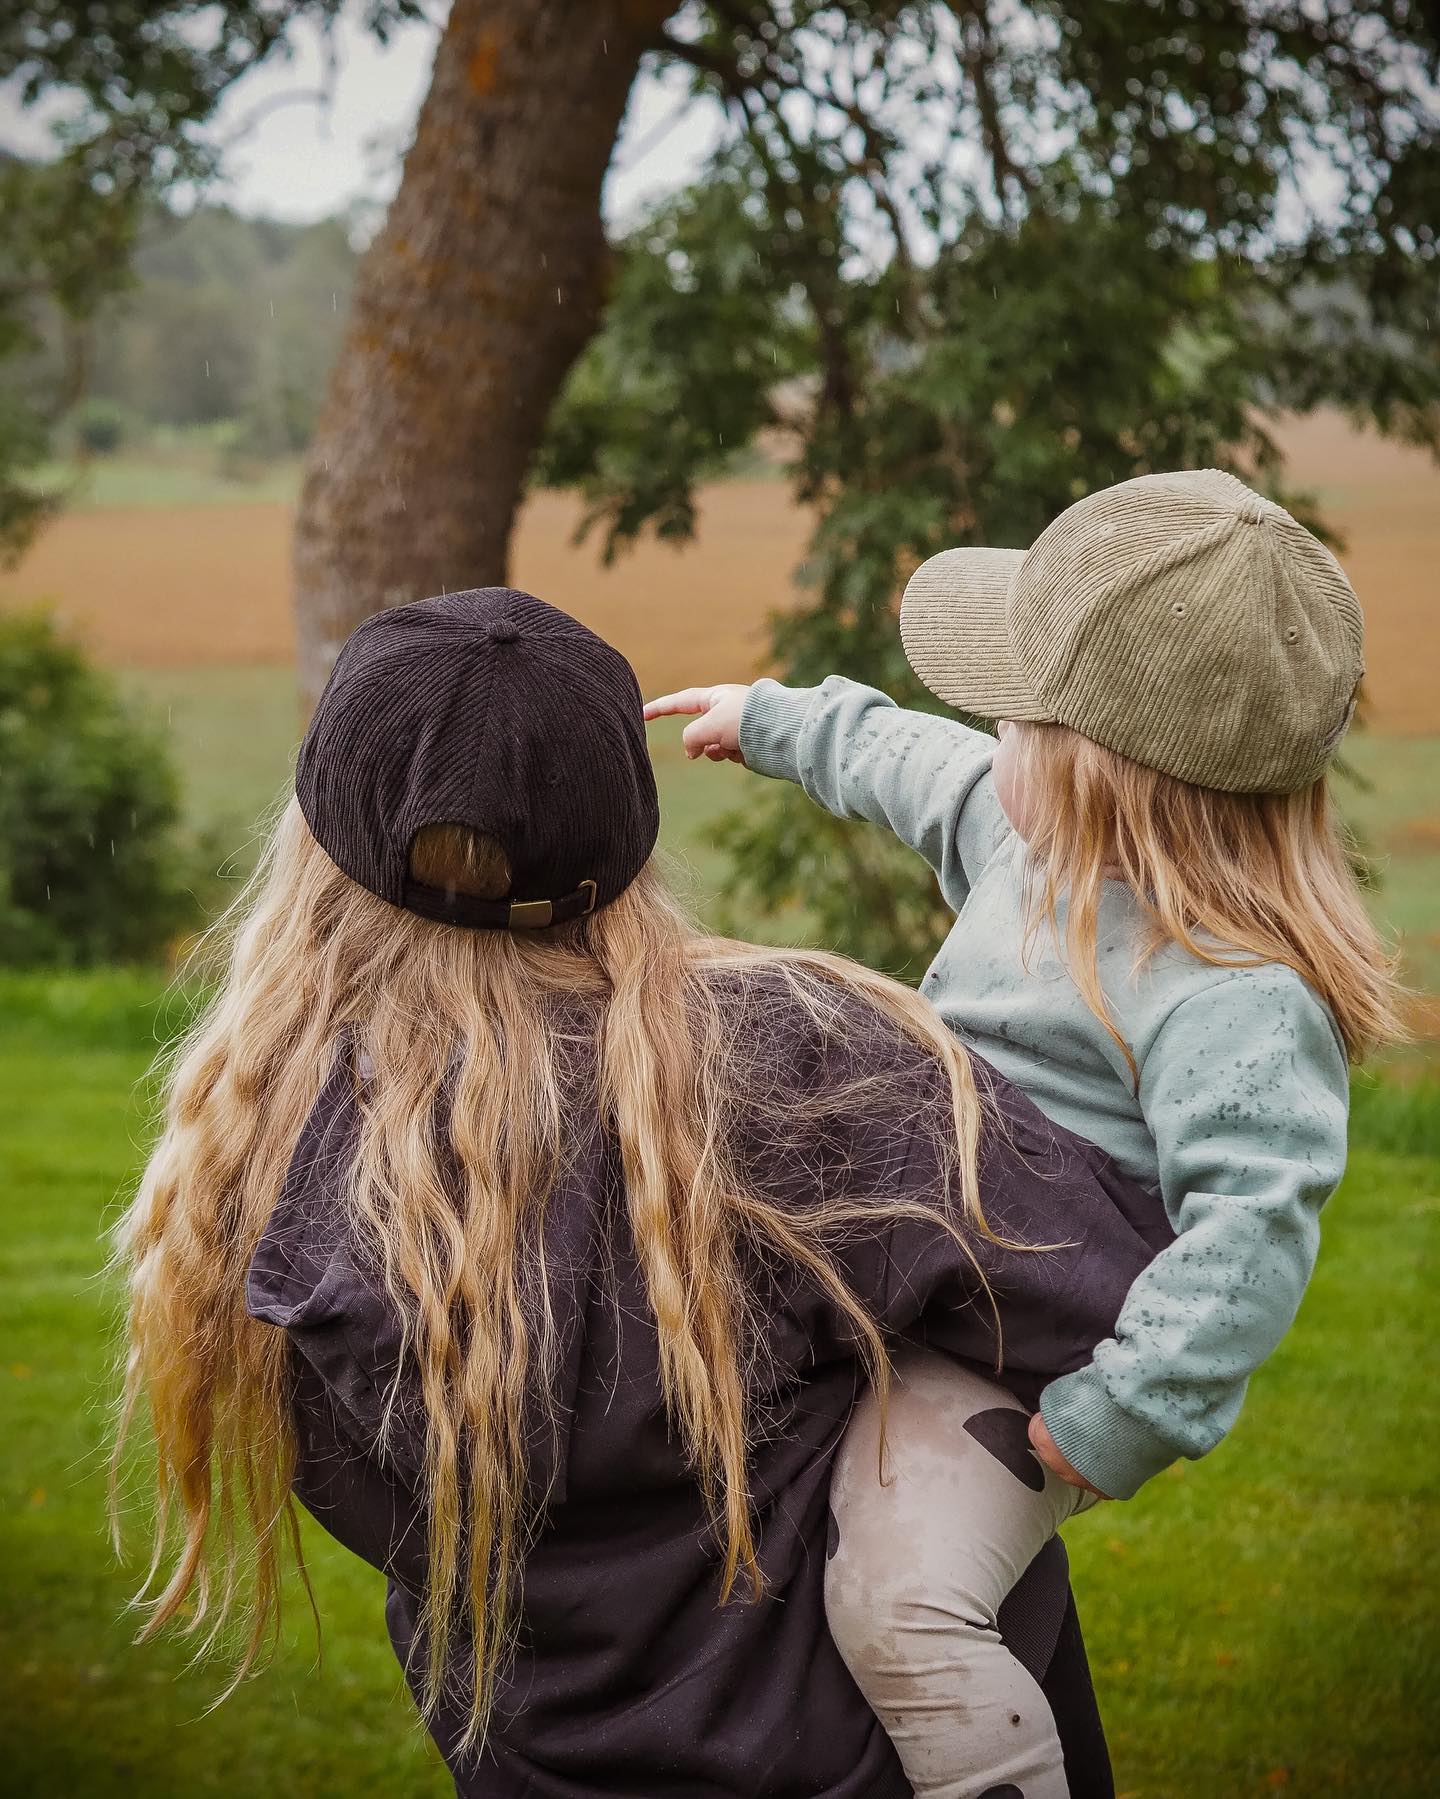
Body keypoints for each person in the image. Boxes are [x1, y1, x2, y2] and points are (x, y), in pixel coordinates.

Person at [114, 588, 1172, 1799]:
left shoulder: (263, 1165)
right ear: (623, 827)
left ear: (320, 833)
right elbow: (1118, 1303)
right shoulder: (800, 1065)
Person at [646, 468, 1408, 1798]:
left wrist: (1121, 1415)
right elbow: (913, 763)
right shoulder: (1033, 841)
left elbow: (1253, 1233)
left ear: (1090, 764)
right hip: (918, 1279)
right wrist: (774, 716)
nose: (982, 730)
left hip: (1014, 1369)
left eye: (1008, 708)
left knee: (901, 1599)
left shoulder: (1231, 995)